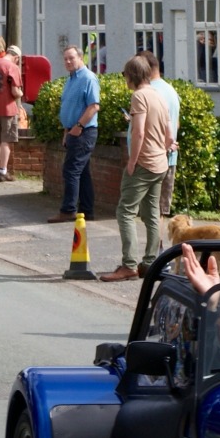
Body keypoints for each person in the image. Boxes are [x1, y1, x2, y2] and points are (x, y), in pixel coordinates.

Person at [99, 55, 172, 282]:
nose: (125, 79)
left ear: (132, 75)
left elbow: (138, 132)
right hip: (160, 163)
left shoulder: (139, 96)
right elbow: (170, 133)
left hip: (144, 163)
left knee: (125, 212)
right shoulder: (159, 96)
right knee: (152, 214)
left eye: (125, 75)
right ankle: (150, 263)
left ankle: (129, 265)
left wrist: (132, 161)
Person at [46, 44, 100, 222]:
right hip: (72, 131)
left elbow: (94, 106)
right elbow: (69, 107)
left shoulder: (88, 78)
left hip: (84, 132)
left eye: (72, 58)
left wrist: (78, 127)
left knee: (71, 170)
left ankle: (68, 209)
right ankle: (86, 211)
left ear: (80, 58)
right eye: (66, 59)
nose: (68, 62)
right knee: (82, 172)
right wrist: (67, 131)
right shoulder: (70, 79)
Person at [139, 50, 180, 217]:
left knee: (150, 211)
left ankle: (156, 244)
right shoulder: (171, 90)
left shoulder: (149, 92)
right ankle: (160, 243)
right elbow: (175, 123)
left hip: (152, 159)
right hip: (168, 156)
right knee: (161, 210)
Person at [0, 37, 23, 182]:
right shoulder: (13, 67)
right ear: (16, 57)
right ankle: (3, 171)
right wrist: (21, 94)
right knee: (6, 141)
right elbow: (14, 91)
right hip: (8, 109)